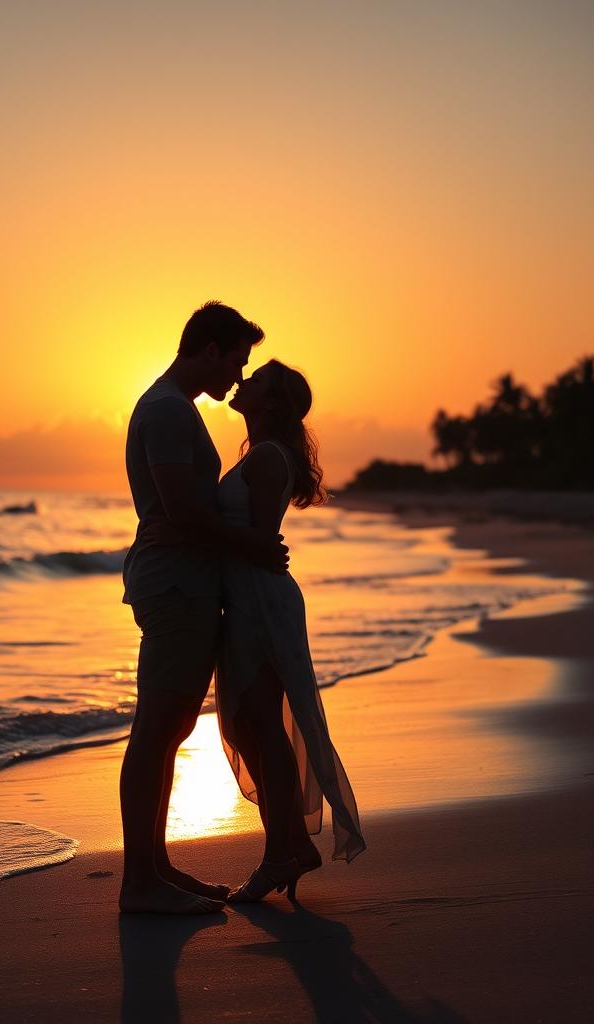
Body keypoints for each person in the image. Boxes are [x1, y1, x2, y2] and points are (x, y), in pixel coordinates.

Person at [119, 301, 288, 915]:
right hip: (173, 588)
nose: (238, 378)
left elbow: (183, 513)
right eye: (236, 362)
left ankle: (155, 867)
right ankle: (139, 882)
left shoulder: (177, 409)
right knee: (156, 730)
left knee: (170, 728)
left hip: (184, 583)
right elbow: (181, 511)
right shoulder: (167, 411)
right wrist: (256, 547)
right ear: (210, 349)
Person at [214, 359, 366, 902]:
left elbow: (255, 541)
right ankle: (291, 844)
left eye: (256, 381)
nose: (243, 381)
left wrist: (186, 524)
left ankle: (284, 851)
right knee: (244, 726)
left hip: (260, 602)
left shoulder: (268, 459)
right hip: (249, 599)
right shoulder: (258, 456)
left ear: (272, 405)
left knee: (259, 725)